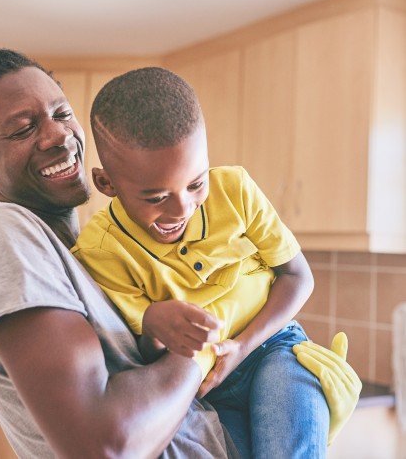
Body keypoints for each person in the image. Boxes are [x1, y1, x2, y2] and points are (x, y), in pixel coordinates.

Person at [0, 49, 360, 459]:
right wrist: (217, 327)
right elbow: (106, 445)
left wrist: (283, 383)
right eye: (24, 128)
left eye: (62, 113)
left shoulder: (85, 251)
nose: (56, 136)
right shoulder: (3, 234)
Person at [72, 67, 362, 458]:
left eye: (195, 184)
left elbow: (296, 276)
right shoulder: (101, 250)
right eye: (156, 197)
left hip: (273, 347)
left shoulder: (236, 189)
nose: (183, 208)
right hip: (204, 387)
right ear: (106, 184)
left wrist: (241, 347)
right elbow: (140, 353)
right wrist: (154, 322)